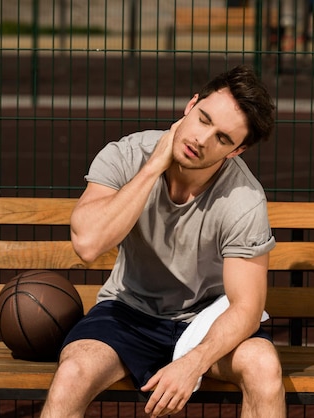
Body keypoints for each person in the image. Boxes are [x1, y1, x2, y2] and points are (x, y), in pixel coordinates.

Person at [41, 65, 286, 418]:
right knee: (72, 373)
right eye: (203, 119)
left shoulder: (244, 199)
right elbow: (88, 245)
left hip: (206, 320)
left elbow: (246, 309)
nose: (202, 140)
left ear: (238, 150)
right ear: (191, 105)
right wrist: (154, 166)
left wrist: (193, 362)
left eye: (222, 138)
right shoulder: (128, 155)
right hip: (129, 312)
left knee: (263, 366)